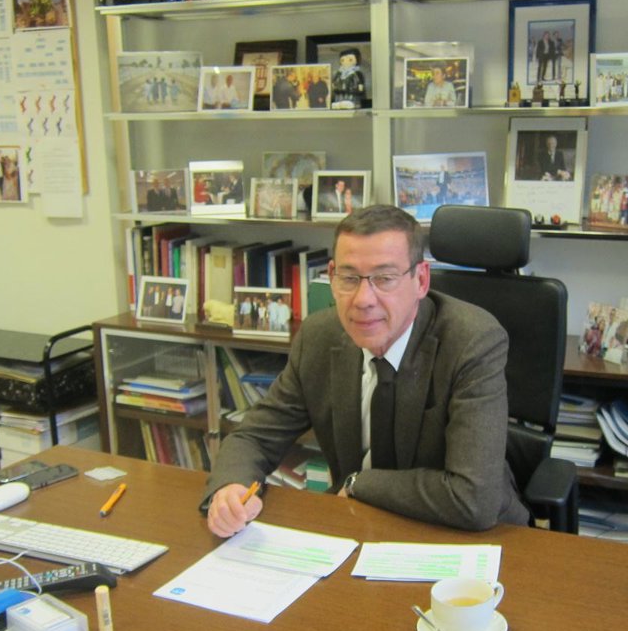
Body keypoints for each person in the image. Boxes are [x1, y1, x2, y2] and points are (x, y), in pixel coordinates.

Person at [203, 205, 526, 536]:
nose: (363, 299)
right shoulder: (318, 337)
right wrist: (230, 488)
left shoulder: (471, 341)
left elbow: (474, 498)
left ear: (421, 280)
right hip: (359, 524)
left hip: (465, 533)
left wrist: (360, 483)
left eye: (384, 279)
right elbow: (255, 436)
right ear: (332, 277)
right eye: (349, 278)